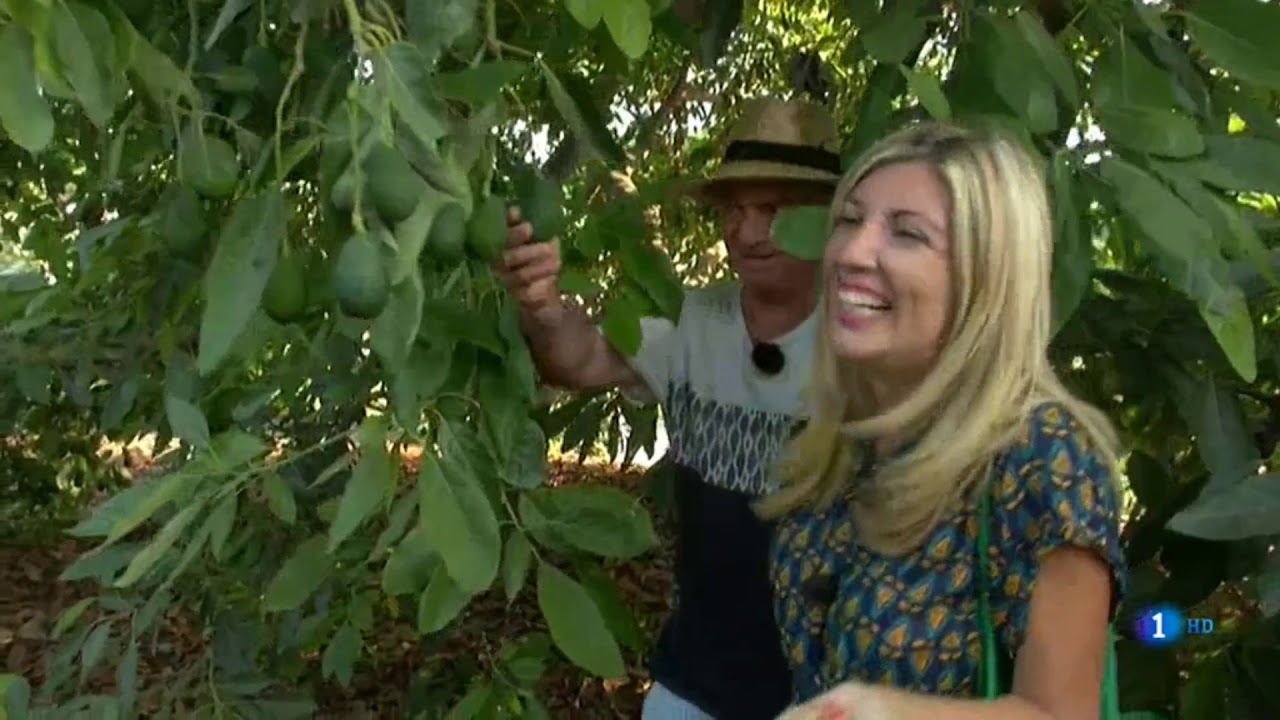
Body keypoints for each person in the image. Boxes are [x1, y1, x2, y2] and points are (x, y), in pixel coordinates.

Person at [756, 122, 1126, 719]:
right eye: (849, 220)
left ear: (986, 277)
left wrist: (885, 712)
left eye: (907, 234)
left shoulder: (1043, 457)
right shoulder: (838, 440)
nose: (852, 253)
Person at [497, 97, 842, 719]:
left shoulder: (865, 343)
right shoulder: (694, 320)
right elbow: (581, 360)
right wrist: (543, 309)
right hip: (694, 683)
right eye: (735, 210)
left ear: (828, 218)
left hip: (824, 694)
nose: (745, 232)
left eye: (772, 209)